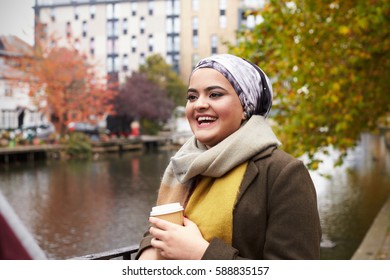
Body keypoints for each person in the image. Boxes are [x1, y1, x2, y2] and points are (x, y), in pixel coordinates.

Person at [136, 54, 321, 260]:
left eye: (214, 94)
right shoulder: (186, 165)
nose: (199, 104)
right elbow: (163, 227)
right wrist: (148, 252)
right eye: (192, 97)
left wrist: (203, 256)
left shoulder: (283, 173)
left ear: (246, 106)